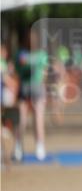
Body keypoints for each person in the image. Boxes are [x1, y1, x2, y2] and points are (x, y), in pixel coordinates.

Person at [15, 30, 47, 161]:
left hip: (32, 88)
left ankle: (35, 146)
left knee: (32, 119)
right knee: (26, 119)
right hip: (30, 88)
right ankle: (20, 147)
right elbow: (43, 72)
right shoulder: (37, 55)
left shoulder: (23, 54)